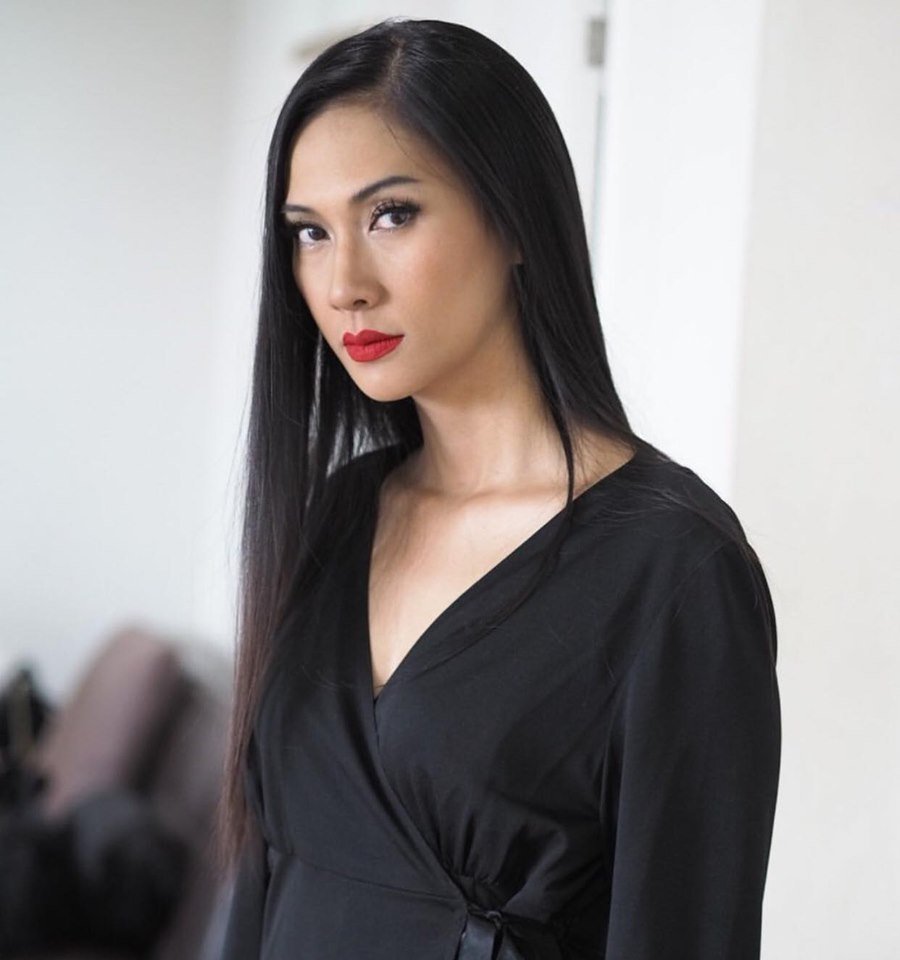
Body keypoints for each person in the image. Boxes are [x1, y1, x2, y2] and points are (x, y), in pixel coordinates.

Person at [215, 16, 781, 960]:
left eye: (391, 215)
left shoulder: (674, 570)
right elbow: (260, 887)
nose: (344, 282)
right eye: (311, 232)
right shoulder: (337, 515)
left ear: (514, 217)